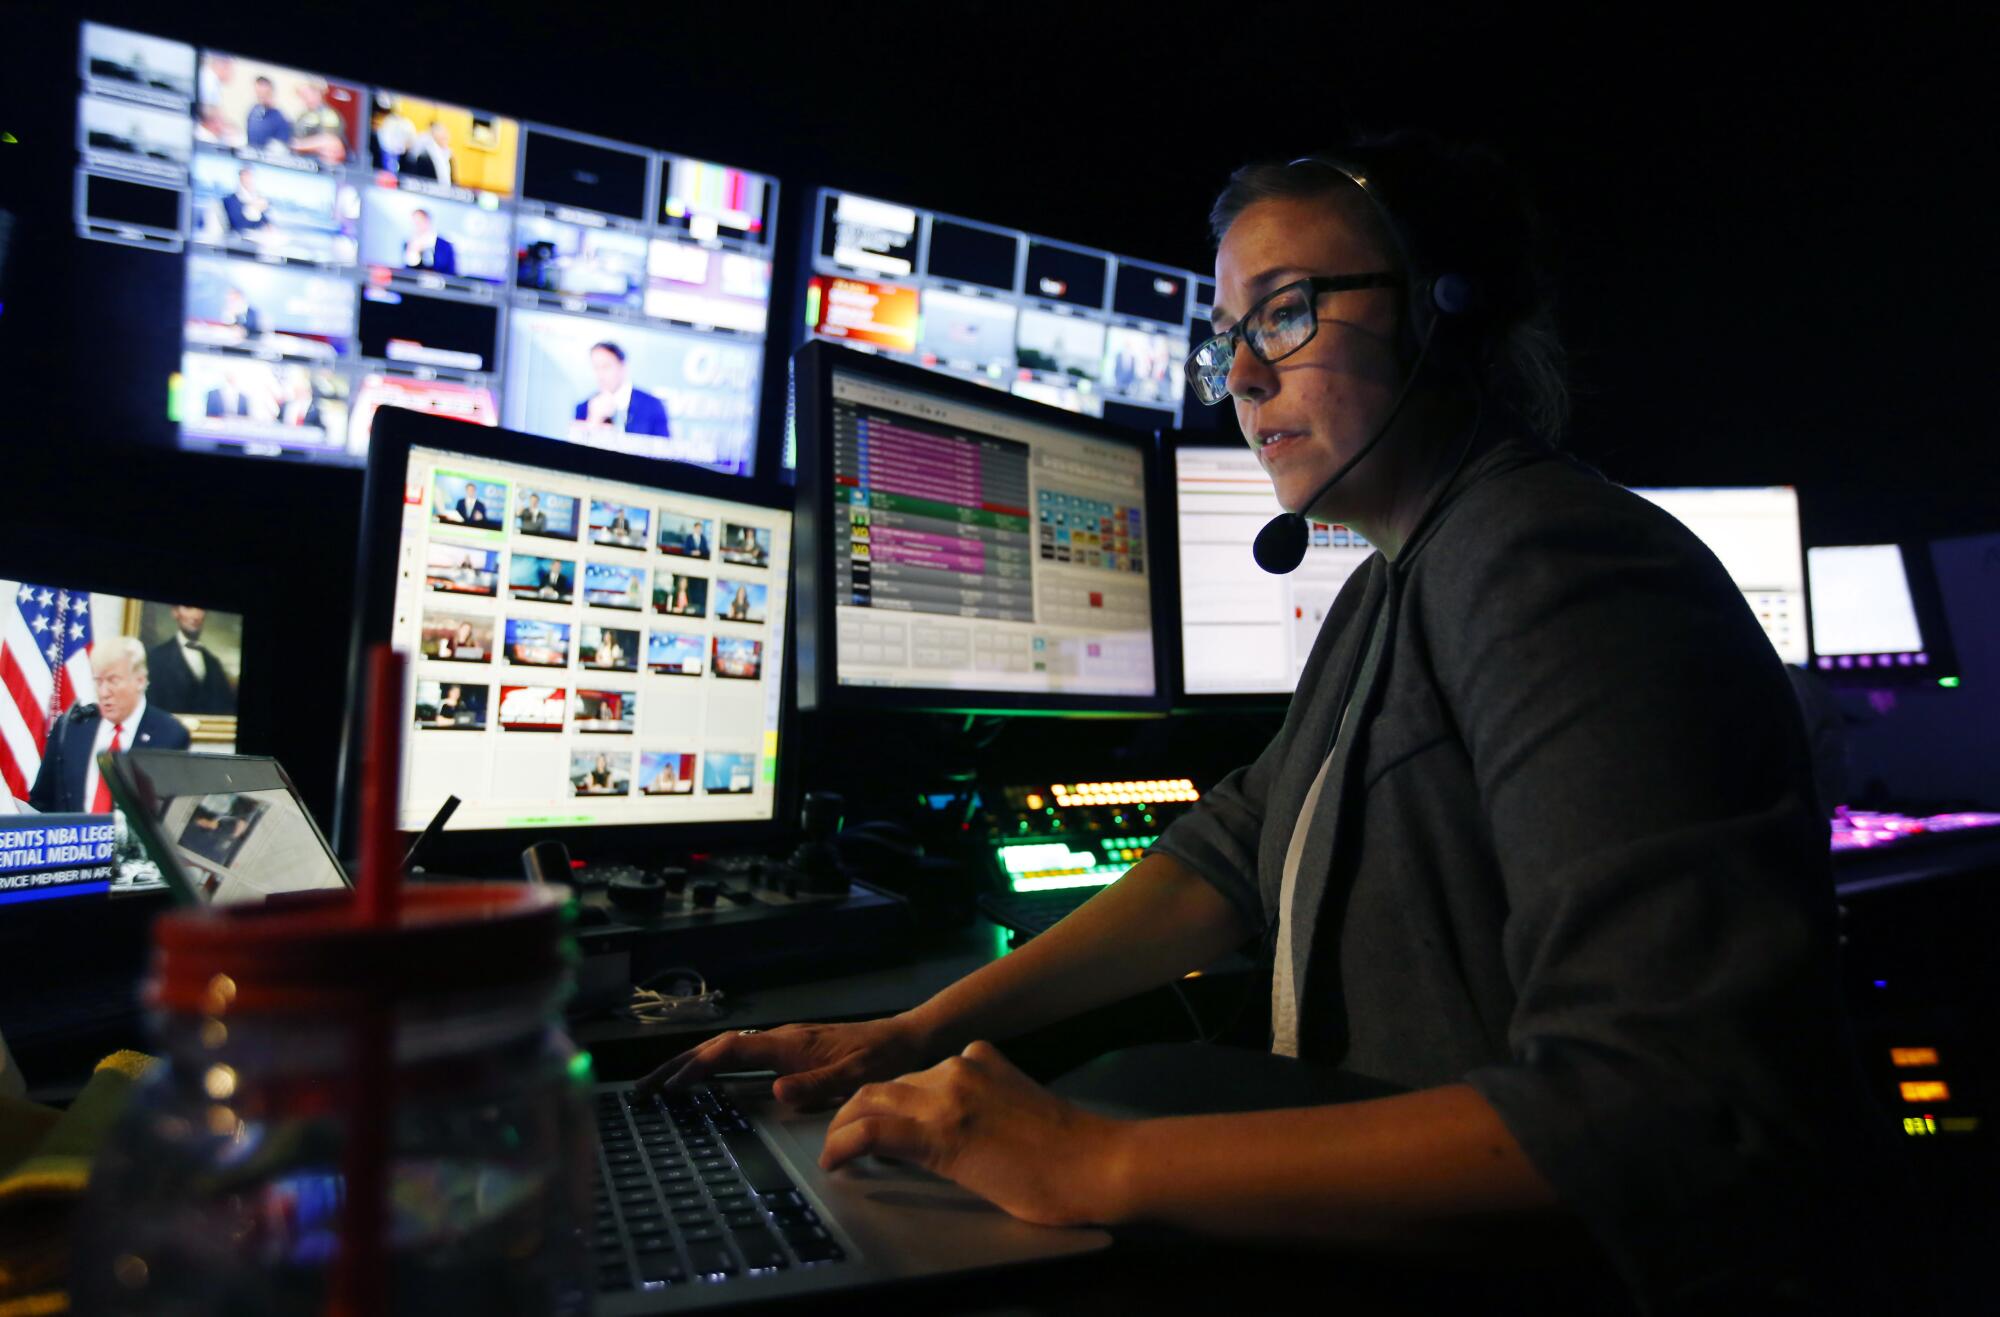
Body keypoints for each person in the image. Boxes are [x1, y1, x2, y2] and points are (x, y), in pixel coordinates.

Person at [639, 133, 1901, 1313]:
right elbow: (1232, 856)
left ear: (1443, 313)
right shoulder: (1393, 582)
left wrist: (1099, 1163)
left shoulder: (1553, 567)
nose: (1240, 378)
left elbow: (1670, 1107)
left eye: (1287, 313)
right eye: (1228, 337)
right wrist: (918, 1028)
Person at [29, 638, 191, 813]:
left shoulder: (170, 735)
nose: (104, 692)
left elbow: (170, 816)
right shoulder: (71, 728)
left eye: (113, 680)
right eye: (98, 681)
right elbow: (42, 802)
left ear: (140, 681)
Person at [145, 605, 235, 716]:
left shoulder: (213, 663)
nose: (195, 615)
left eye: (200, 608)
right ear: (175, 612)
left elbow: (226, 709)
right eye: (188, 607)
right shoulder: (155, 658)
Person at [572, 342, 670, 440]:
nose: (600, 375)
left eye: (606, 367)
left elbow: (664, 450)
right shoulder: (584, 408)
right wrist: (594, 421)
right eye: (596, 368)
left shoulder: (652, 405)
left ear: (623, 367)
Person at [288, 80, 347, 166]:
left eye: (306, 94)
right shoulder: (303, 115)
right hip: (300, 162)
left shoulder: (328, 114)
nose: (304, 98)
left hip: (319, 165)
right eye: (301, 95)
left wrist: (300, 145)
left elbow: (330, 140)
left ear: (317, 92)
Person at [404, 207, 457, 275]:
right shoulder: (409, 244)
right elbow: (408, 273)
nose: (417, 226)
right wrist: (414, 254)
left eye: (419, 222)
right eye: (414, 223)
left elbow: (451, 273)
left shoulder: (445, 245)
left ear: (427, 221)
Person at [243, 76, 289, 152]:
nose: (261, 96)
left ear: (271, 92)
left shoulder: (280, 119)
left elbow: (280, 147)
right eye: (258, 93)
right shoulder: (253, 110)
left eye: (264, 93)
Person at [221, 166, 270, 237]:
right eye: (246, 176)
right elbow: (238, 226)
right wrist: (253, 208)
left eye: (251, 176)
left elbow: (265, 221)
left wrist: (268, 226)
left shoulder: (258, 200)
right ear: (240, 178)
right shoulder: (230, 201)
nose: (249, 180)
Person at [403, 120, 454, 185]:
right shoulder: (424, 156)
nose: (446, 137)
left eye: (446, 135)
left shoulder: (449, 155)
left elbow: (452, 180)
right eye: (443, 136)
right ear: (434, 136)